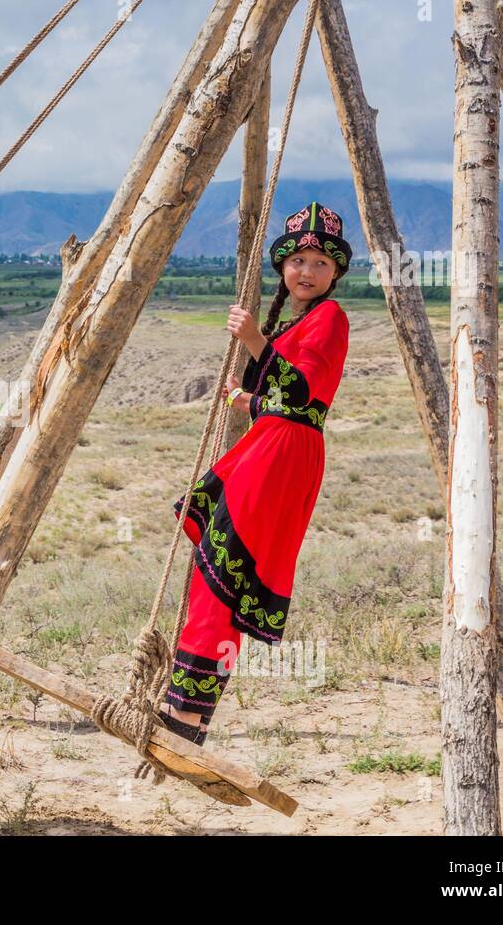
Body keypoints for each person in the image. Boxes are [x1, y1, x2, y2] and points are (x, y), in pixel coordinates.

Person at [159, 201, 353, 746]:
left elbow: (301, 394)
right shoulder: (300, 321)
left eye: (319, 263)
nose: (306, 272)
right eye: (298, 261)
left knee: (222, 572)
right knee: (217, 569)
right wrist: (248, 400)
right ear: (284, 268)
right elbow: (289, 402)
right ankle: (189, 711)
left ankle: (187, 717)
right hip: (274, 446)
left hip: (282, 457)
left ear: (334, 272)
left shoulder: (330, 318)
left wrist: (252, 341)